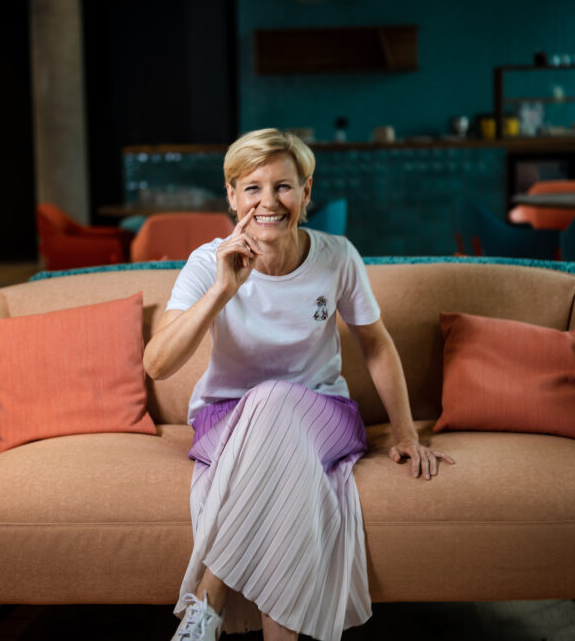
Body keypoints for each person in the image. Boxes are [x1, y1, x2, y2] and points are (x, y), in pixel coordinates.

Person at [143, 129, 454, 641]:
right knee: (279, 451)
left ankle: (208, 599)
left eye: (284, 187)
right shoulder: (207, 263)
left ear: (307, 192)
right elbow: (157, 363)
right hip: (227, 421)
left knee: (277, 397)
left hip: (325, 418)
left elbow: (375, 344)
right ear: (231, 195)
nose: (269, 202)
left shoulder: (337, 256)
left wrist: (406, 435)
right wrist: (223, 289)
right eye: (252, 188)